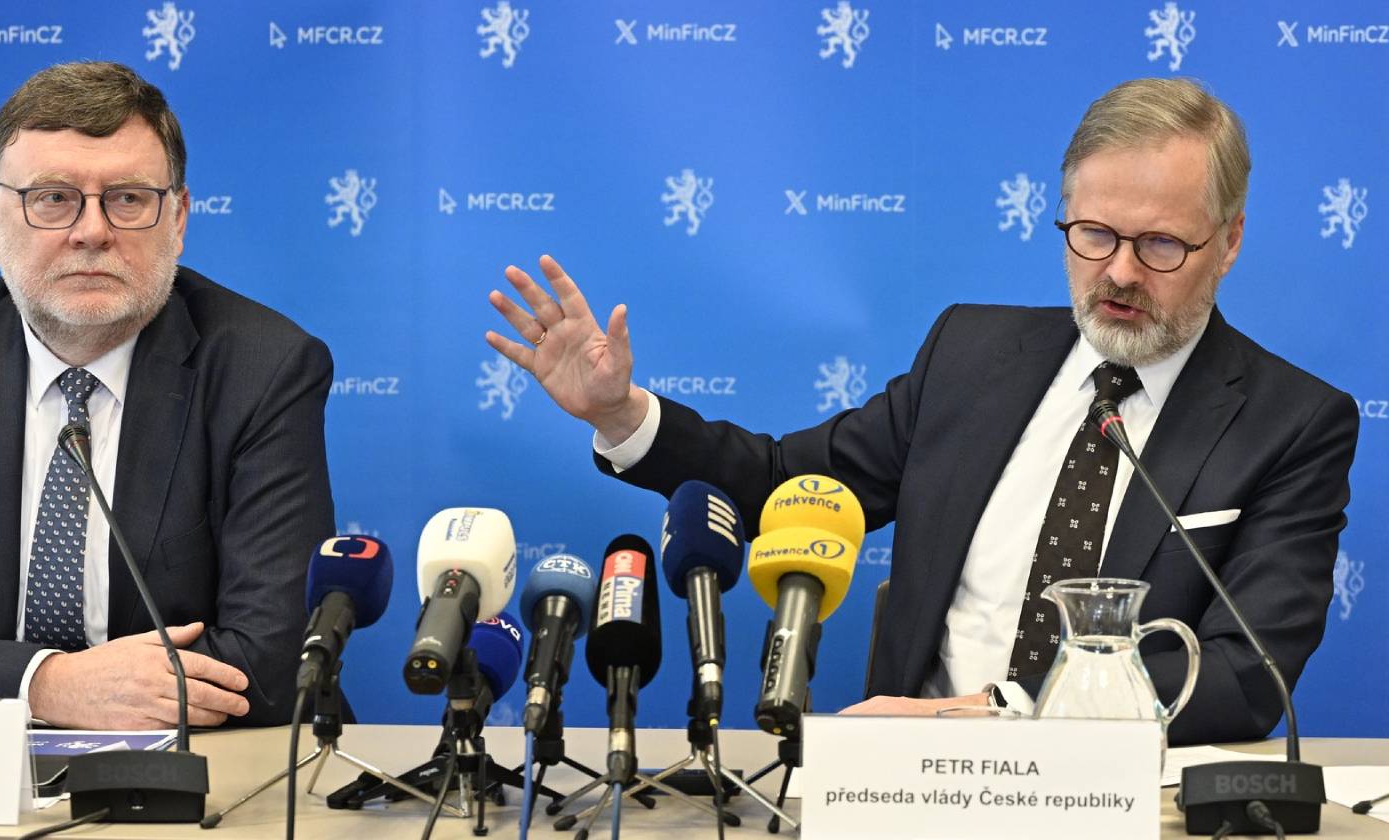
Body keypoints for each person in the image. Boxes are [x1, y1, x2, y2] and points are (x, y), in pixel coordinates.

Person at [484, 78, 1357, 745]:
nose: (1121, 272)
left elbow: (1245, 675)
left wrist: (1004, 713)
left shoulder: (1291, 424)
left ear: (1229, 240)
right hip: (912, 790)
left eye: (1160, 243)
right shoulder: (972, 356)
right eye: (1095, 234)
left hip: (1121, 806)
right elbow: (787, 486)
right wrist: (622, 414)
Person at [0, 62, 335, 729]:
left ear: (178, 219)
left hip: (198, 767)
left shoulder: (264, 369)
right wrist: (45, 684)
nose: (92, 231)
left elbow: (275, 658)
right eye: (53, 198)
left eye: (128, 199)